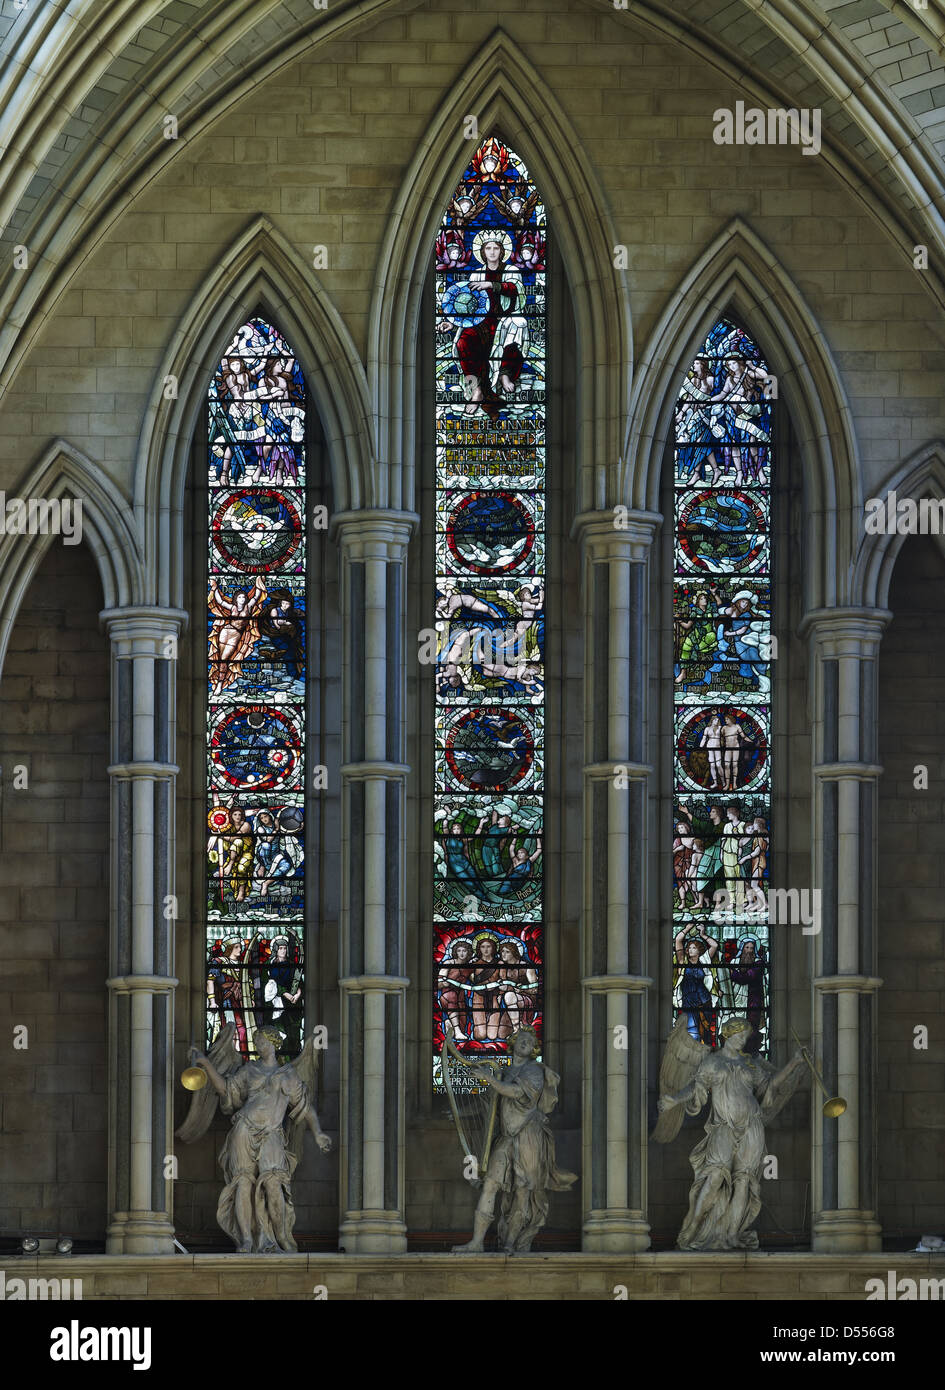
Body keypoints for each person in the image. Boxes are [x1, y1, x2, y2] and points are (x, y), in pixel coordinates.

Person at [189, 1026, 330, 1253]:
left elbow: (306, 1110)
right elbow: (226, 1090)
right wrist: (205, 1064)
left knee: (274, 1183)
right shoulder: (249, 1070)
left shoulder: (288, 1075)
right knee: (243, 1183)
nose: (259, 1046)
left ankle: (282, 1236)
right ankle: (246, 1239)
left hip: (272, 1134)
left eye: (262, 1042)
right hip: (243, 1130)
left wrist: (318, 1133)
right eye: (256, 1042)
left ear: (274, 1043)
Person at [451, 1026, 576, 1254]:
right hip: (507, 1138)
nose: (525, 1042)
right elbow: (489, 1106)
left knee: (522, 1191)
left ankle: (510, 1243)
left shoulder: (535, 1071)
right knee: (490, 1184)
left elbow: (517, 1093)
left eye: (530, 1040)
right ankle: (477, 1242)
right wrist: (459, 1114)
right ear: (513, 1044)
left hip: (529, 1136)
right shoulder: (504, 1073)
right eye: (521, 1039)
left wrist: (488, 1078)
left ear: (534, 1049)